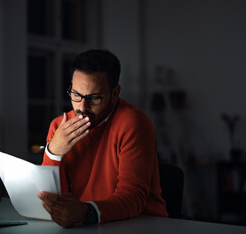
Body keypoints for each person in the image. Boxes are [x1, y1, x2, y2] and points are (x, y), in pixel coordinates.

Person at [38, 49, 168, 227]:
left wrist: (86, 212)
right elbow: (53, 200)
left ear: (115, 94)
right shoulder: (58, 126)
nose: (82, 107)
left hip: (141, 225)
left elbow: (132, 197)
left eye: (94, 98)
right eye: (75, 94)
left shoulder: (133, 123)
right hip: (87, 225)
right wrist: (53, 154)